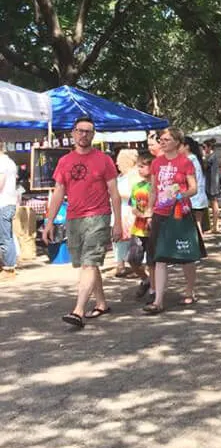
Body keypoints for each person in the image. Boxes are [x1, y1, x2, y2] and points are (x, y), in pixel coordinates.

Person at [43, 116, 122, 328]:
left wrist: (118, 222)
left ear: (93, 135)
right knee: (87, 263)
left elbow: (114, 193)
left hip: (98, 216)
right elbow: (59, 191)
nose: (83, 135)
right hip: (74, 218)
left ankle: (78, 310)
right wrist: (49, 222)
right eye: (80, 130)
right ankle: (102, 303)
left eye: (88, 131)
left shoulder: (104, 160)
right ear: (73, 133)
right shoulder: (64, 161)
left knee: (89, 263)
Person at [143, 128, 205, 314]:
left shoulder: (185, 162)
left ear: (177, 142)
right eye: (161, 139)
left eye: (167, 139)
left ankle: (190, 290)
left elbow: (194, 188)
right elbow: (153, 189)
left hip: (180, 213)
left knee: (186, 255)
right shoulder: (156, 163)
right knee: (159, 256)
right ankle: (158, 300)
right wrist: (149, 212)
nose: (163, 142)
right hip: (160, 213)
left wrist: (181, 195)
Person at [128, 153, 155, 301]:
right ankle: (146, 280)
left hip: (152, 230)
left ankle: (154, 290)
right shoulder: (137, 186)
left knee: (152, 262)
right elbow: (133, 206)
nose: (140, 169)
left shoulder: (157, 187)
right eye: (138, 166)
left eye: (143, 166)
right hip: (138, 228)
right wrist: (139, 213)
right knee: (132, 259)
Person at [114, 149, 139, 277]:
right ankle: (120, 265)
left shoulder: (134, 175)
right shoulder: (120, 176)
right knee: (119, 239)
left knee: (131, 240)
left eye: (119, 161)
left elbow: (136, 195)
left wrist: (118, 195)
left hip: (129, 210)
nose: (117, 163)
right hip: (119, 210)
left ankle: (136, 265)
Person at [183, 136, 208, 235]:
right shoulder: (196, 158)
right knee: (197, 224)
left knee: (193, 226)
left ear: (187, 147)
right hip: (199, 197)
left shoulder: (189, 160)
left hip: (193, 198)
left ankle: (197, 246)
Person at [0, 141, 18, 281]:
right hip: (9, 202)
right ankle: (9, 265)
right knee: (8, 236)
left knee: (4, 237)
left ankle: (9, 268)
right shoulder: (10, 161)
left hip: (3, 203)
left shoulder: (1, 162)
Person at [202, 139, 221, 234]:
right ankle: (215, 225)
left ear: (209, 147)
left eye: (204, 147)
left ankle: (215, 225)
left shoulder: (211, 157)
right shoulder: (213, 156)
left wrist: (203, 157)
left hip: (211, 183)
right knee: (213, 204)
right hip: (213, 182)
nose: (203, 149)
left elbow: (204, 166)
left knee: (214, 204)